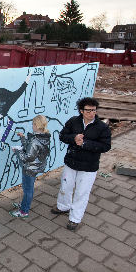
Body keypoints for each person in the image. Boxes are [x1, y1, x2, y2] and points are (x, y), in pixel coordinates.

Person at [51, 97, 111, 231]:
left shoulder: (102, 127)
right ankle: (63, 206)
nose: (92, 113)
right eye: (88, 110)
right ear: (81, 111)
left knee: (81, 193)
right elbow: (62, 136)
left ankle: (75, 218)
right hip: (71, 162)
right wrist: (73, 138)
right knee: (65, 186)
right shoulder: (73, 121)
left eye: (94, 110)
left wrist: (85, 143)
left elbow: (106, 146)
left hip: (89, 166)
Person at [9, 115, 51, 218]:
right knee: (28, 187)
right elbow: (31, 148)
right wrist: (23, 138)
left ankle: (24, 211)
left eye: (33, 124)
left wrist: (17, 151)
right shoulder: (43, 137)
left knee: (28, 189)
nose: (32, 125)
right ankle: (24, 204)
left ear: (36, 125)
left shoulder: (35, 140)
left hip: (29, 168)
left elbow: (27, 157)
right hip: (34, 167)